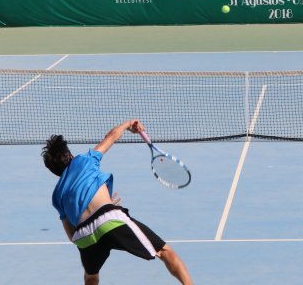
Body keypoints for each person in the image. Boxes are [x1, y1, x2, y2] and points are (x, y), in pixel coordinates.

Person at [42, 119, 194, 285]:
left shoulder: (57, 196)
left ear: (54, 171)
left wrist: (99, 213)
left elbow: (72, 236)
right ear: (70, 156)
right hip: (109, 219)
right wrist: (128, 124)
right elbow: (111, 136)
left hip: (84, 237)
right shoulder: (84, 160)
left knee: (91, 276)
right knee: (165, 252)